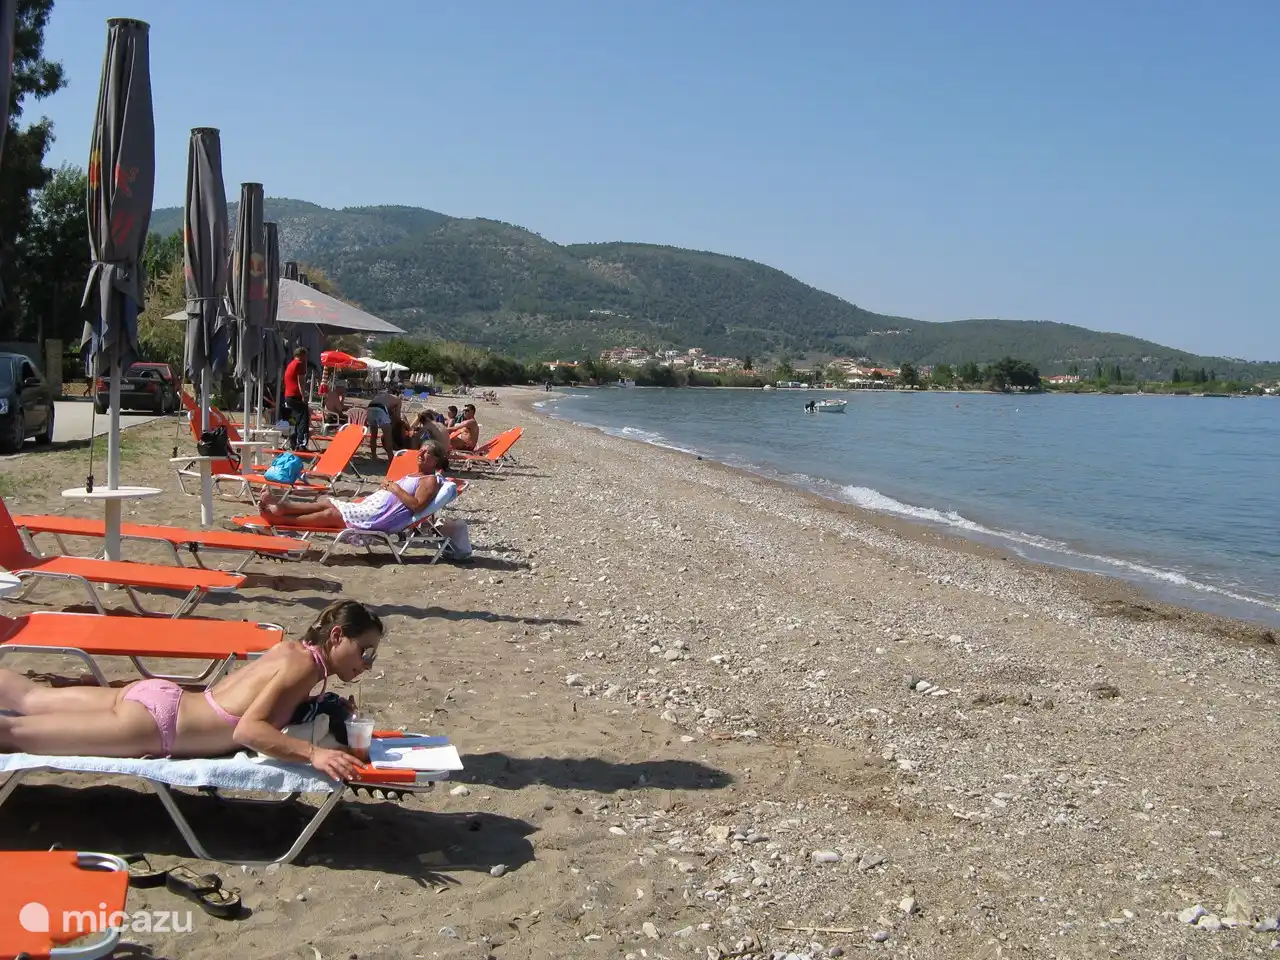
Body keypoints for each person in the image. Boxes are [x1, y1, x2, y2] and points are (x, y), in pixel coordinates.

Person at [0, 600, 381, 781]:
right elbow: (248, 730)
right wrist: (313, 754)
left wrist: (320, 708)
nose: (366, 663)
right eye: (365, 651)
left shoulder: (294, 651)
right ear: (336, 636)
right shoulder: (307, 667)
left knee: (31, 699)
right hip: (156, 727)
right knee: (14, 734)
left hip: (160, 699)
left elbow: (260, 704)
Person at [258, 441, 450, 534]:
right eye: (421, 450)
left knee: (331, 515)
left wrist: (394, 488)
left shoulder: (429, 480)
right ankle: (283, 507)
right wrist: (388, 486)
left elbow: (417, 506)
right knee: (327, 503)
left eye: (427, 453)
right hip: (372, 509)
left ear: (436, 460)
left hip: (381, 519)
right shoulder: (415, 474)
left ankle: (280, 518)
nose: (421, 454)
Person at [283, 347, 310, 451]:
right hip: (295, 395)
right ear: (302, 355)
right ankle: (301, 443)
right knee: (303, 419)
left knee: (294, 420)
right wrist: (303, 395)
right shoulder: (300, 364)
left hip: (288, 395)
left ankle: (293, 442)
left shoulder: (290, 364)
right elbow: (301, 382)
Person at [366, 388, 404, 460]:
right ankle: (390, 457)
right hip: (380, 408)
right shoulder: (398, 400)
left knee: (373, 435)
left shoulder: (382, 396)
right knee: (388, 435)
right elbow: (397, 418)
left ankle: (374, 456)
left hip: (370, 407)